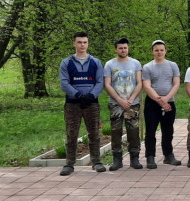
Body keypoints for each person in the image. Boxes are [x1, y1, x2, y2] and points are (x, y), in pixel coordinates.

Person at [58, 31, 105, 176]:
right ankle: (69, 164)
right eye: (79, 42)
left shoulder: (95, 62)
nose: (82, 45)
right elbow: (64, 83)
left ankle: (96, 162)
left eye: (85, 42)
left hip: (92, 103)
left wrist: (91, 95)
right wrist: (78, 95)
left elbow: (100, 81)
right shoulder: (66, 63)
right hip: (72, 104)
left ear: (88, 44)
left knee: (94, 133)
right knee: (71, 134)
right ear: (74, 44)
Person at [103, 38, 143, 171]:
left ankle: (134, 158)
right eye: (120, 48)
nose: (123, 50)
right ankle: (117, 159)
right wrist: (120, 101)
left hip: (132, 103)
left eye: (125, 48)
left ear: (128, 48)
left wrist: (130, 100)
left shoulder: (136, 63)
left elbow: (139, 83)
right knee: (116, 131)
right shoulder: (109, 64)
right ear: (116, 49)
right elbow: (107, 84)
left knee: (133, 131)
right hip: (115, 104)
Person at [141, 40, 182, 169]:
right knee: (151, 131)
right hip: (152, 104)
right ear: (152, 51)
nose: (159, 52)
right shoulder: (147, 67)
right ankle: (150, 157)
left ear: (165, 51)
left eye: (161, 50)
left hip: (169, 103)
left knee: (168, 131)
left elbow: (176, 83)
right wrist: (159, 100)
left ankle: (168, 156)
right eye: (156, 50)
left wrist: (167, 99)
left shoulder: (172, 65)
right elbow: (146, 86)